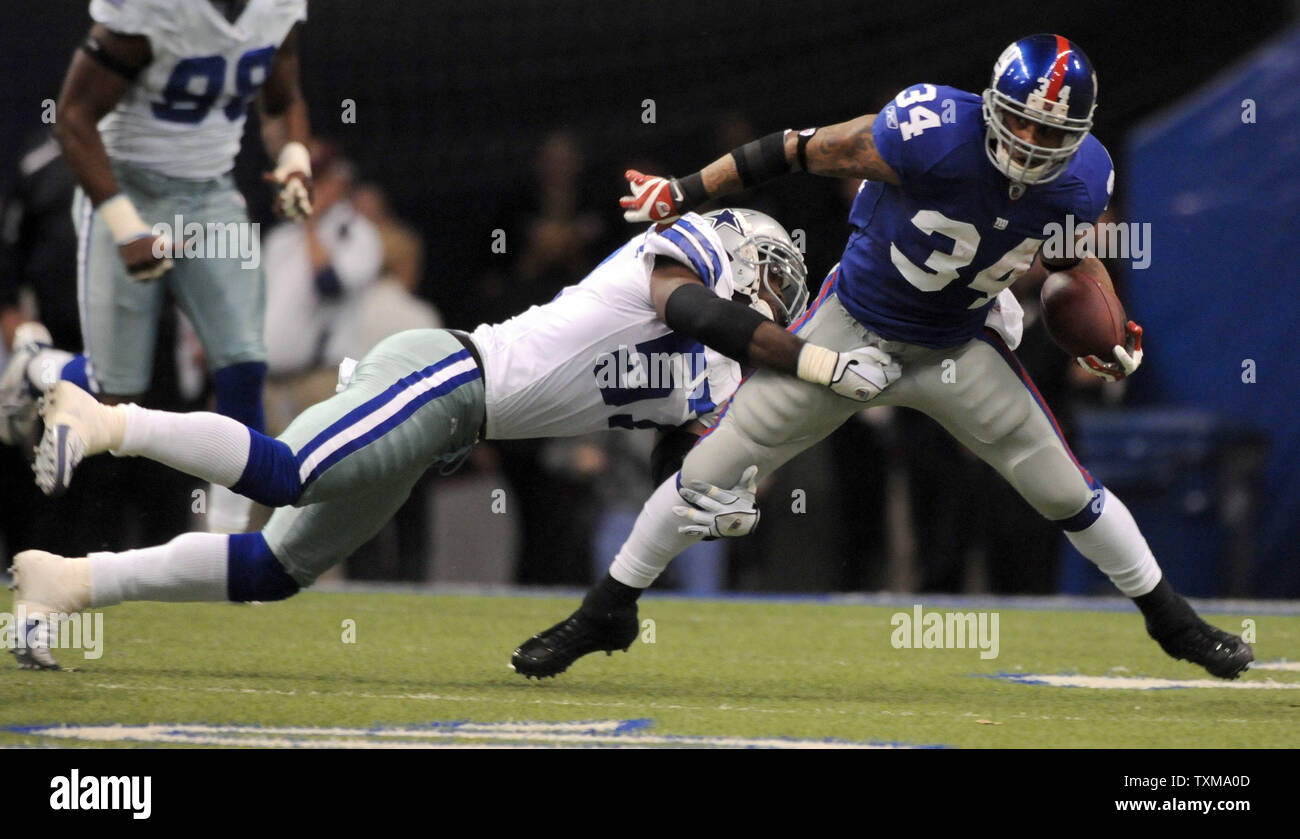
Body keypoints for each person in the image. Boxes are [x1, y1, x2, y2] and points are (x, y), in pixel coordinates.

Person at [512, 34, 1254, 681]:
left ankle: (1171, 621)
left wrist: (1109, 329)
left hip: (957, 343)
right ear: (993, 104)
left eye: (1049, 130)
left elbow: (1071, 258)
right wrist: (682, 189)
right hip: (856, 321)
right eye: (1020, 119)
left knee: (1064, 486)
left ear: (1079, 133)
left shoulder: (1084, 178)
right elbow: (796, 149)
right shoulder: (928, 129)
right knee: (710, 469)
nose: (1030, 141)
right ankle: (608, 609)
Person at [9, 209, 898, 669]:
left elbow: (680, 459)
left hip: (451, 426)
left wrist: (714, 494)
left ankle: (68, 579)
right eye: (772, 276)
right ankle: (101, 417)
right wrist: (816, 361)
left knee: (275, 570)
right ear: (735, 252)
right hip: (446, 373)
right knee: (287, 472)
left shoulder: (714, 372)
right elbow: (691, 306)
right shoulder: (672, 268)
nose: (776, 297)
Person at [0, 0, 313, 533]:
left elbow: (281, 100)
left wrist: (294, 160)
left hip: (211, 196)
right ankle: (33, 367)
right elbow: (73, 118)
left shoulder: (276, 8)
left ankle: (228, 543)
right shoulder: (153, 8)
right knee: (117, 396)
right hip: (128, 185)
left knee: (243, 362)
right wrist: (126, 225)